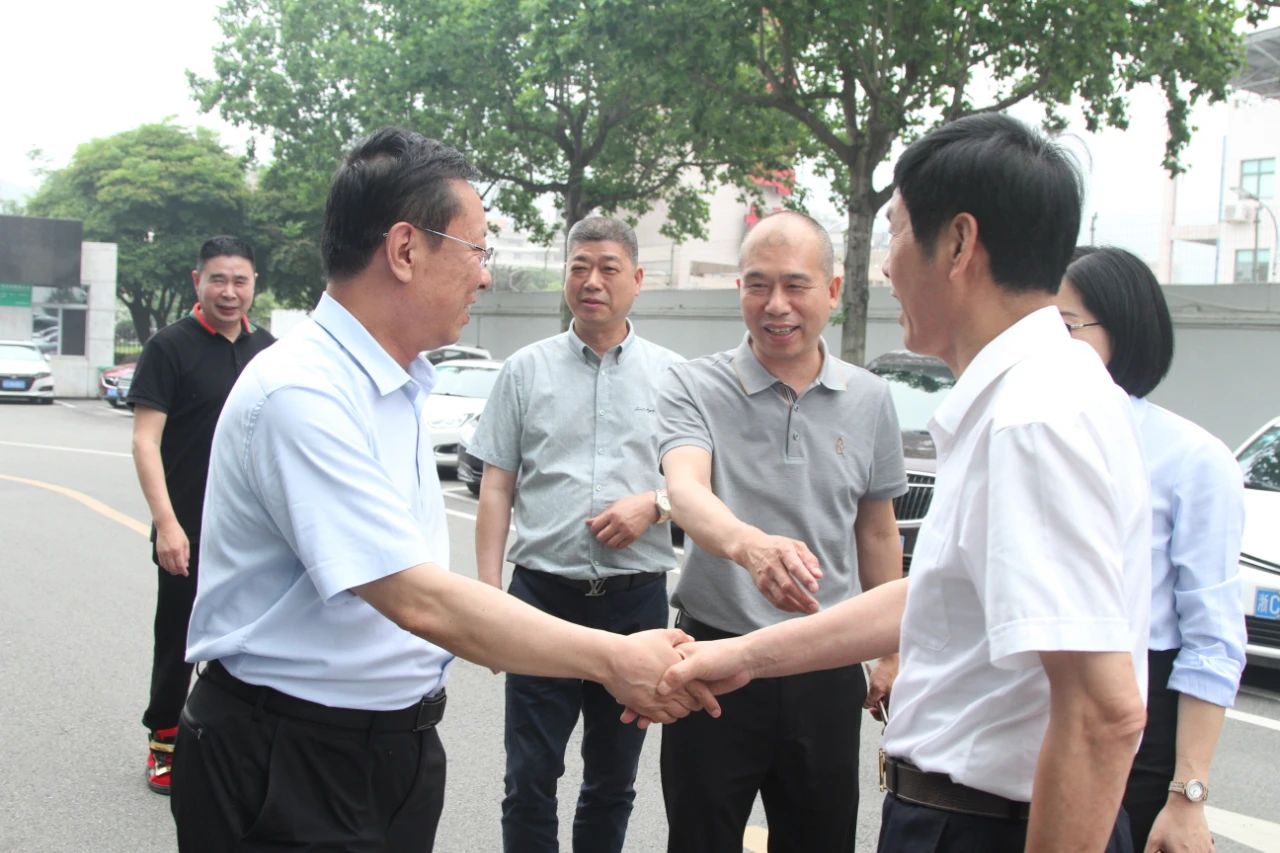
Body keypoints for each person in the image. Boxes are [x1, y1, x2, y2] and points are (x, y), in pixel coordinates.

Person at [171, 128, 711, 851]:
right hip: (291, 757)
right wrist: (614, 659)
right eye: (477, 250)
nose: (484, 277)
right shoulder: (302, 393)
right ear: (404, 249)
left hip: (385, 748)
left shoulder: (391, 385)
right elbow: (416, 596)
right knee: (534, 779)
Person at [656, 114, 1153, 853]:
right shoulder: (1034, 396)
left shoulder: (1033, 420)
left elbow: (1100, 713)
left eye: (894, 233)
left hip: (985, 826)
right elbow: (941, 593)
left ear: (958, 244)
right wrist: (743, 656)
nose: (886, 267)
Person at [656, 209, 908, 853]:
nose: (775, 305)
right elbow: (685, 490)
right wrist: (750, 547)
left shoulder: (870, 398)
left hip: (825, 662)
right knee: (700, 838)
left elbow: (877, 533)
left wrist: (891, 650)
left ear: (833, 290)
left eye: (795, 285)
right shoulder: (693, 384)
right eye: (757, 284)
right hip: (713, 661)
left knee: (821, 838)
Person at [469, 215, 682, 853]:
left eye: (608, 268)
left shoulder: (676, 377)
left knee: (613, 781)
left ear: (637, 280)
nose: (592, 281)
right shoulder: (524, 370)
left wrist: (655, 504)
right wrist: (488, 599)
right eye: (579, 266)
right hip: (541, 601)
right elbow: (496, 487)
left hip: (635, 606)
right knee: (529, 777)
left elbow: (704, 485)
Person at [1057, 246, 1246, 853]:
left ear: (1125, 329)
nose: (1047, 347)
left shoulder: (1192, 458)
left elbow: (1212, 637)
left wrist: (1187, 794)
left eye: (1066, 327)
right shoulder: (1024, 437)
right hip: (1042, 706)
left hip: (1141, 720)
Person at [127, 235, 275, 794]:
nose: (229, 292)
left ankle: (237, 745)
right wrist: (167, 525)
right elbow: (145, 442)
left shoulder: (269, 351)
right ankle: (165, 742)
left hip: (254, 532)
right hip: (187, 528)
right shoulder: (169, 348)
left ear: (254, 284)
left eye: (240, 280)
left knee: (254, 640)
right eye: (218, 279)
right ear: (198, 281)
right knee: (179, 640)